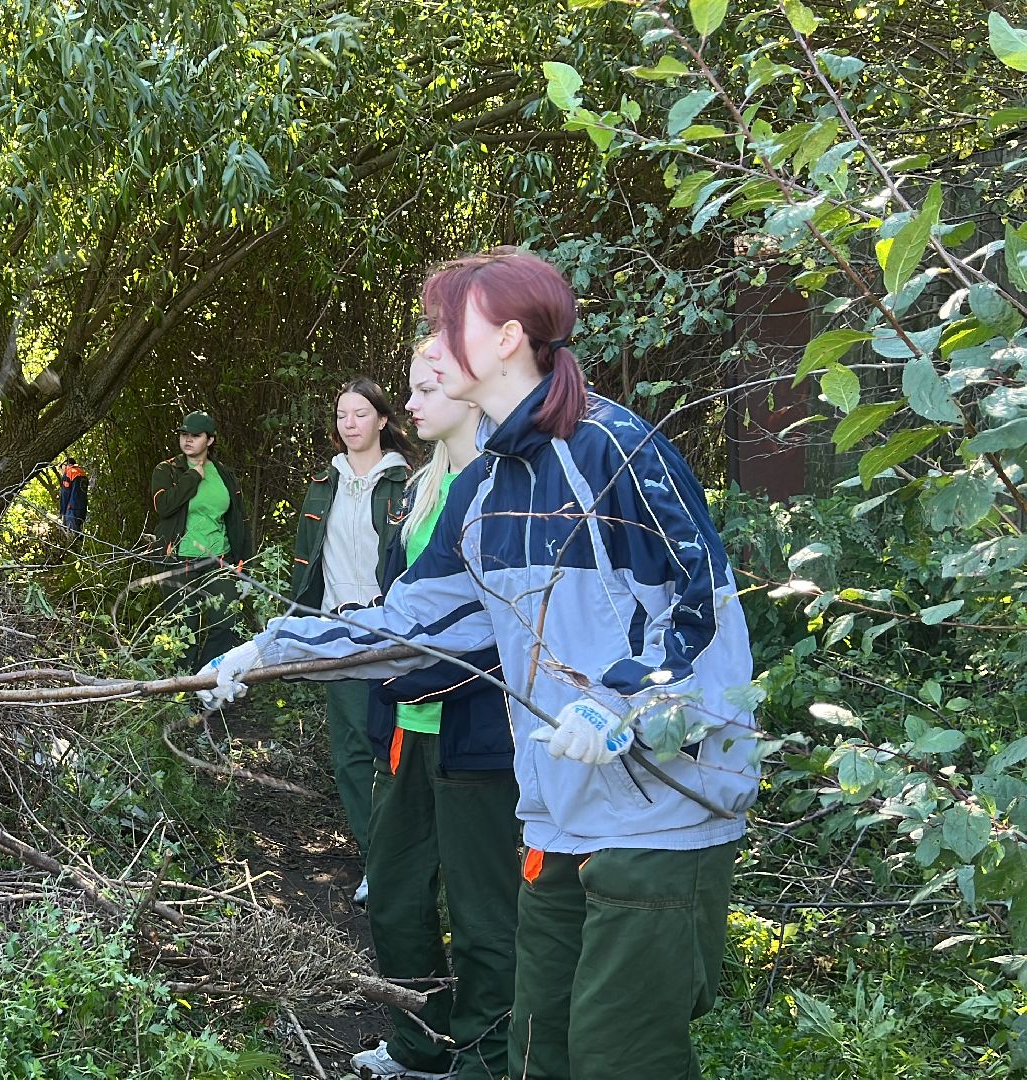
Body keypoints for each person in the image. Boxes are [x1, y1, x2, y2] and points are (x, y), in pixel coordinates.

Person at [198, 247, 759, 1080]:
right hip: (558, 813)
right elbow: (417, 626)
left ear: (506, 339)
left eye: (442, 326)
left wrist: (622, 700)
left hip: (660, 811)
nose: (427, 345)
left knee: (622, 1058)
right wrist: (271, 649)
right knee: (541, 1049)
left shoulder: (613, 449)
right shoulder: (487, 486)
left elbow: (701, 607)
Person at [351, 341, 518, 1080]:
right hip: (406, 733)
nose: (410, 404)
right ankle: (419, 1043)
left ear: (474, 391)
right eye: (410, 390)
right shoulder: (421, 490)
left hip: (475, 736)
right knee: (392, 893)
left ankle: (482, 1059)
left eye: (427, 388)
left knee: (484, 915)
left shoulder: (503, 486)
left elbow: (496, 627)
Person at [287, 378, 414, 904]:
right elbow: (306, 565)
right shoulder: (324, 484)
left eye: (361, 414)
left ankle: (408, 860)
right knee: (350, 754)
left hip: (392, 629)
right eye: (342, 415)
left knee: (396, 750)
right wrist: (299, 628)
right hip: (337, 630)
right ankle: (375, 861)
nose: (350, 424)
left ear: (383, 420)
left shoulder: (408, 484)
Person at [149, 411, 252, 670]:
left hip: (219, 559)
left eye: (196, 436)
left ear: (210, 440)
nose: (188, 440)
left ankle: (205, 681)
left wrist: (242, 562)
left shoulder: (224, 475)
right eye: (184, 434)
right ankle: (181, 693)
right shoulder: (167, 470)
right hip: (178, 560)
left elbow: (239, 519)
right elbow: (163, 506)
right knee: (184, 629)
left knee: (226, 622)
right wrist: (193, 476)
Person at [59, 457, 90, 535]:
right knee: (80, 532)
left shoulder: (69, 473)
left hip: (72, 509)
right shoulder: (82, 472)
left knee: (72, 535)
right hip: (82, 508)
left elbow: (65, 494)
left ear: (66, 465)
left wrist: (63, 511)